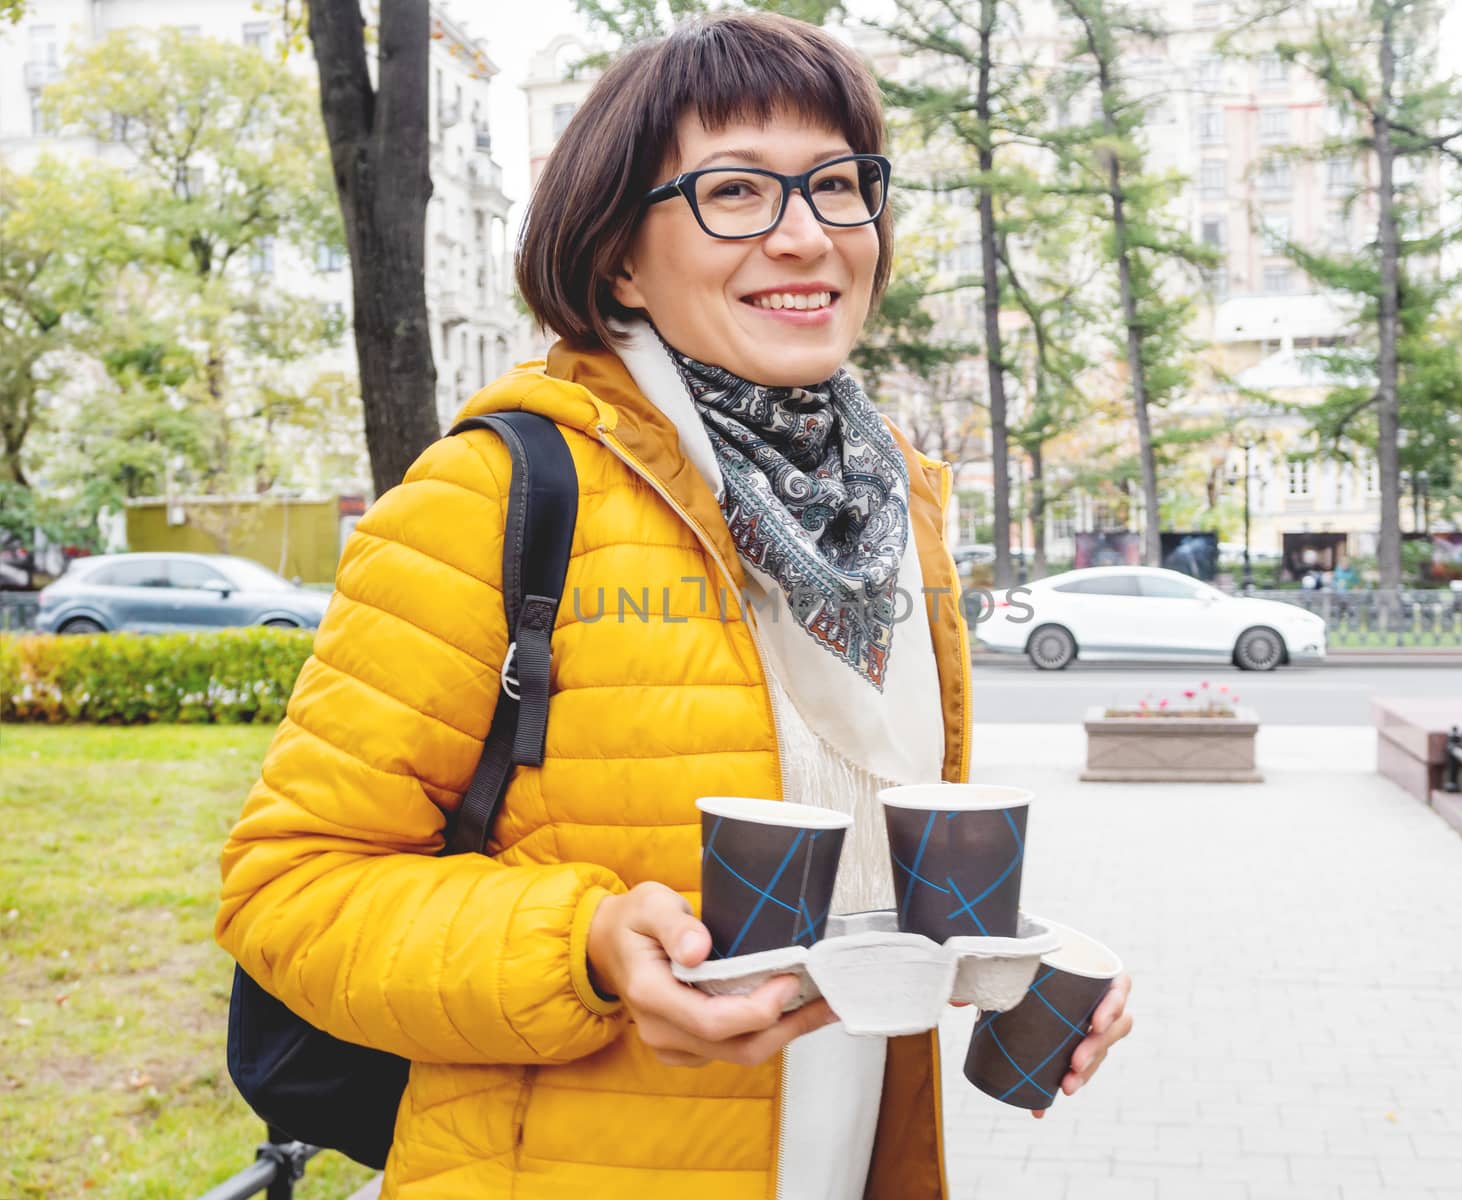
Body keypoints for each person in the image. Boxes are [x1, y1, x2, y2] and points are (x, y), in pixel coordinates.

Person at [216, 13, 1132, 1198]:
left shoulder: (897, 502)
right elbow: (288, 888)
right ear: (619, 257)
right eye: (736, 193)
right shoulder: (493, 493)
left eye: (839, 186)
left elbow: (855, 861)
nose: (805, 237)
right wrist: (587, 949)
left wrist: (1012, 962)